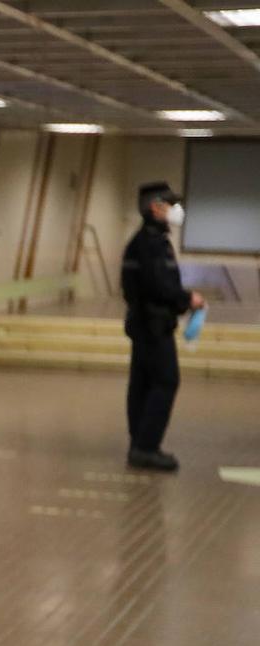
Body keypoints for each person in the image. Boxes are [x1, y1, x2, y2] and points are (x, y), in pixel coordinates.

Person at [121, 181, 204, 472]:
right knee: (166, 381)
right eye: (170, 204)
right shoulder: (151, 244)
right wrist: (187, 299)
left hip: (144, 322)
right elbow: (159, 286)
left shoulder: (144, 241)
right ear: (156, 207)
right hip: (153, 324)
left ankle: (139, 444)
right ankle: (146, 447)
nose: (175, 210)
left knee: (142, 384)